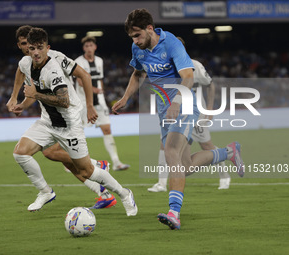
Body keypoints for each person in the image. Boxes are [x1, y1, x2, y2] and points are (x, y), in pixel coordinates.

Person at [113, 9, 244, 229]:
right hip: (165, 111)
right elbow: (138, 73)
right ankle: (229, 152)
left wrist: (176, 103)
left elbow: (188, 77)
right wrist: (126, 97)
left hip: (184, 105)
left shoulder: (171, 42)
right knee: (186, 165)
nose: (135, 41)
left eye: (137, 35)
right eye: (132, 38)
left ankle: (174, 212)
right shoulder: (138, 48)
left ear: (149, 29)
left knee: (170, 152)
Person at [11, 27, 137, 216]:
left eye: (39, 48)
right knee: (21, 153)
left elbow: (64, 100)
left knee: (87, 172)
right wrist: (17, 101)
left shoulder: (53, 68)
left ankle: (124, 194)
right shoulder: (26, 62)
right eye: (31, 48)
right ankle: (45, 192)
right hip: (47, 122)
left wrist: (36, 95)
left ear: (47, 47)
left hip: (69, 125)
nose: (35, 52)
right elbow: (22, 72)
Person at [147, 37, 231, 192]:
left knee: (206, 145)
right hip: (175, 112)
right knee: (165, 145)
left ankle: (225, 175)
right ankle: (161, 184)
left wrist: (210, 108)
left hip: (195, 112)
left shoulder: (195, 65)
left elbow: (210, 85)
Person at [74, 36, 130, 171]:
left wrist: (101, 92)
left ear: (95, 47)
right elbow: (80, 82)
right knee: (78, 132)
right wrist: (94, 90)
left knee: (107, 129)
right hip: (83, 103)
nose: (89, 48)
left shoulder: (99, 61)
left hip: (99, 102)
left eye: (91, 46)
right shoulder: (78, 62)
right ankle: (73, 163)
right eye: (86, 46)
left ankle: (116, 162)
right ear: (83, 48)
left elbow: (100, 79)